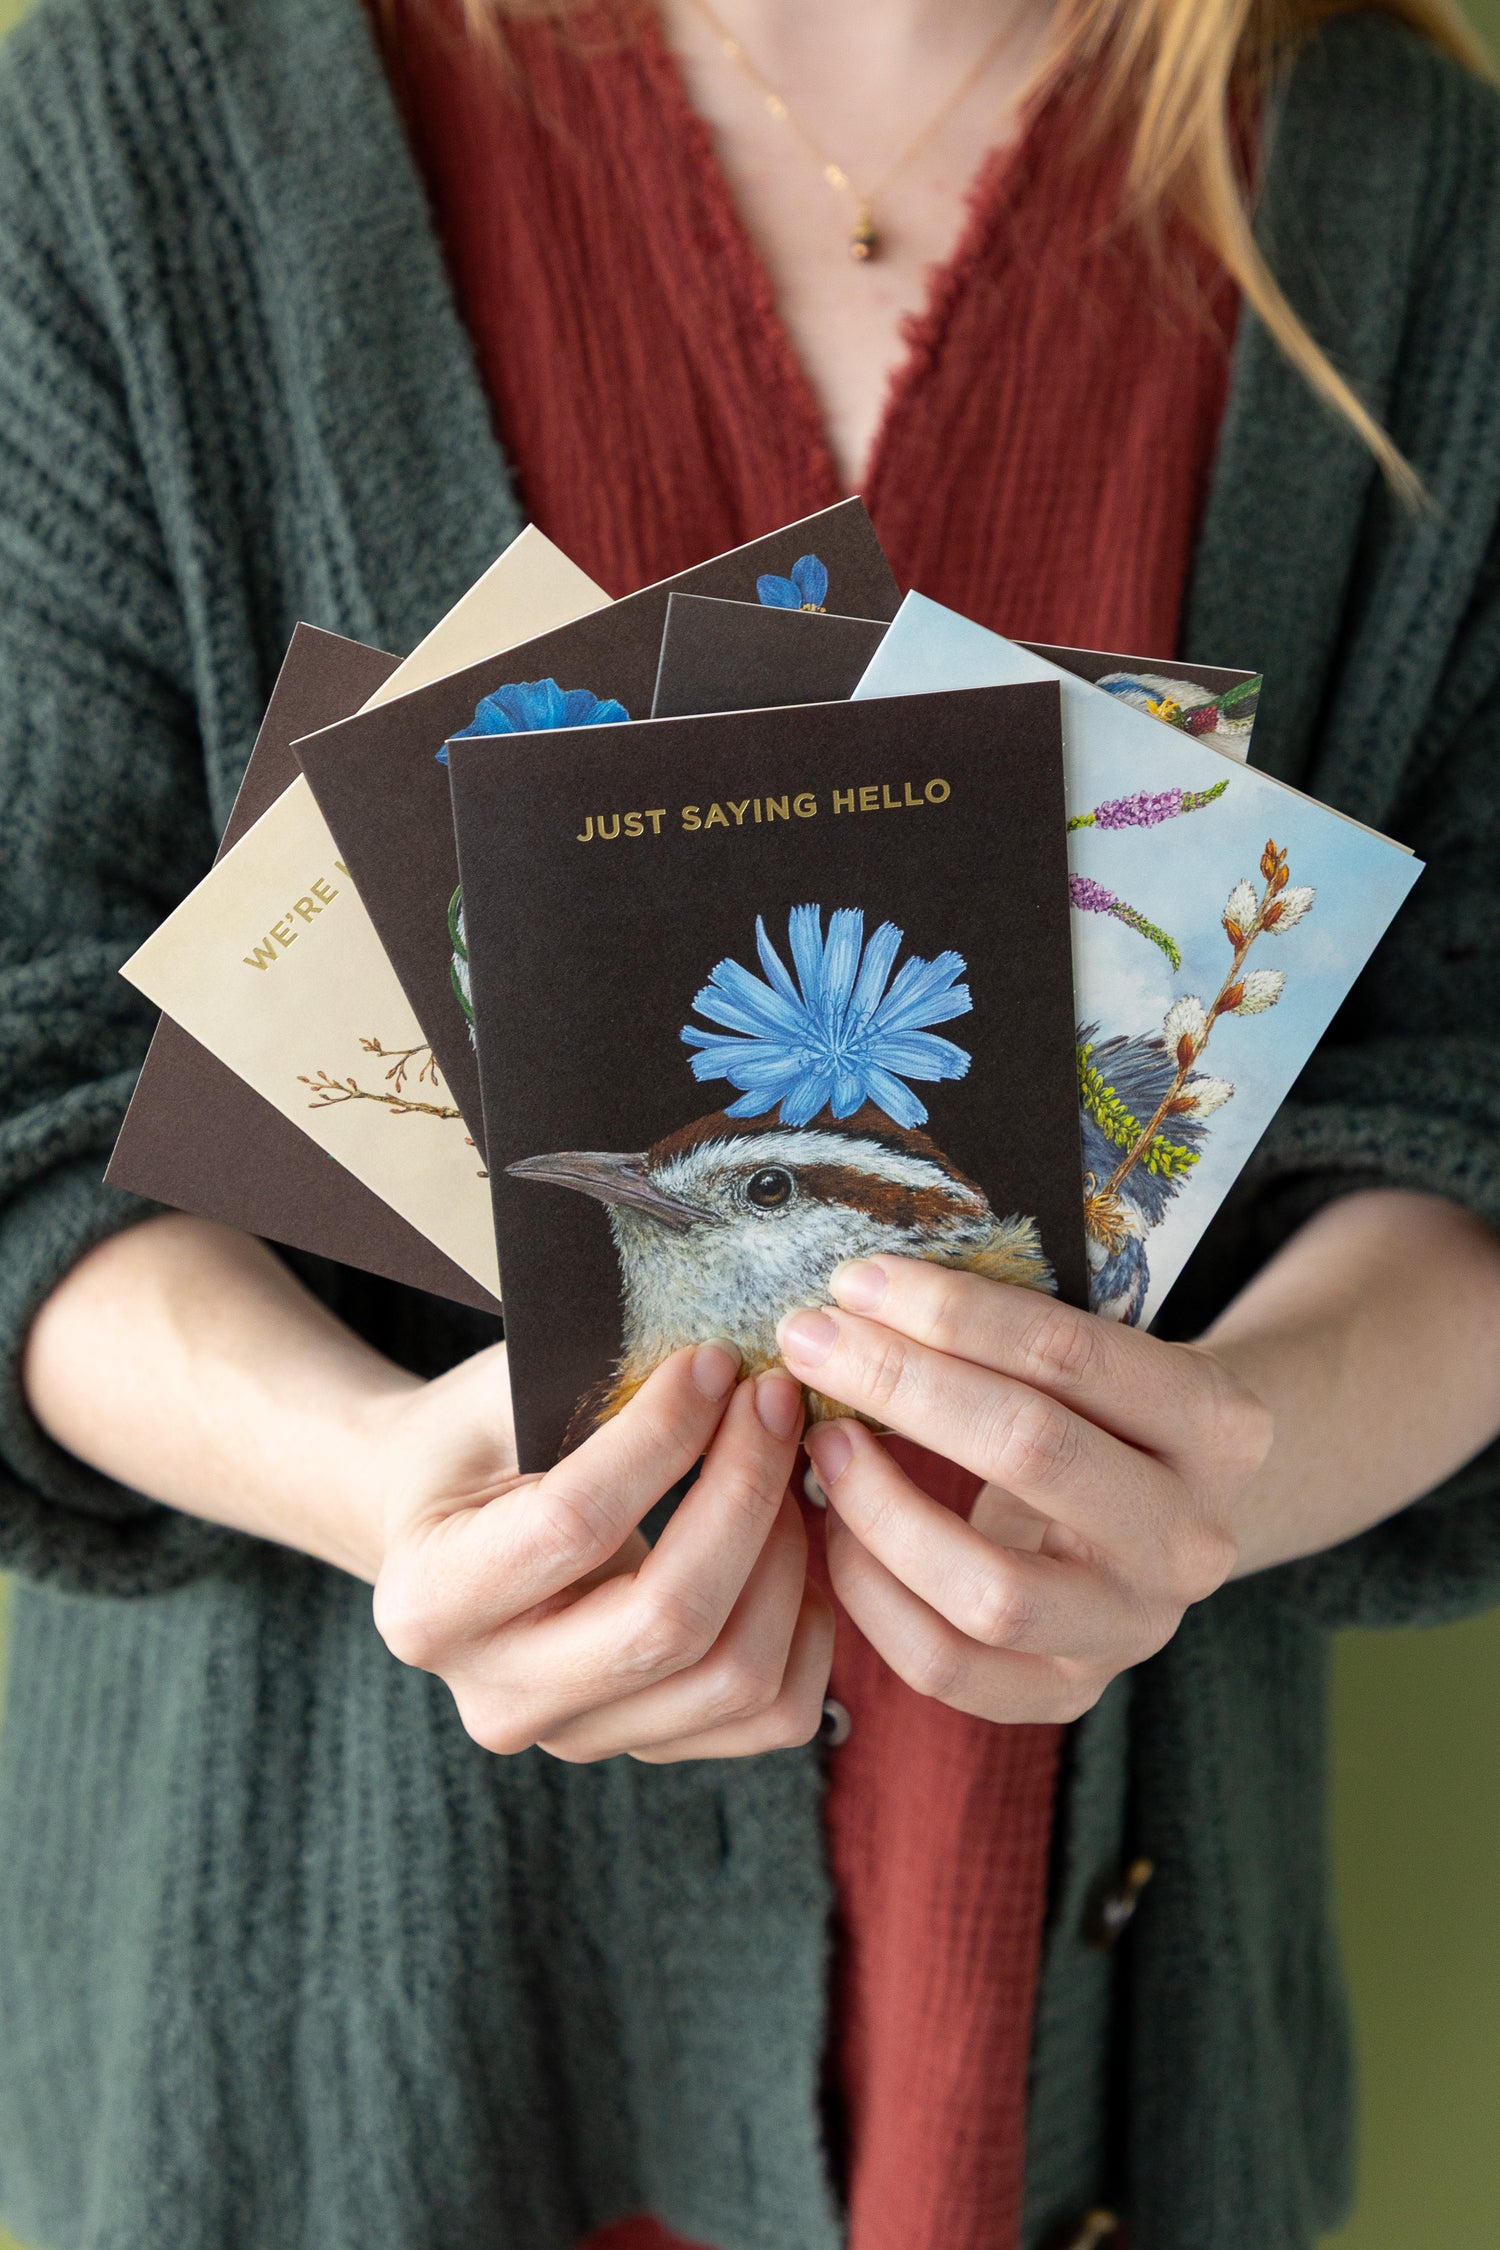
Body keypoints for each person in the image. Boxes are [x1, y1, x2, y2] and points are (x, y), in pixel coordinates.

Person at [1, 0, 1499, 2245]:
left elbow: (1462, 1091)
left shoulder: (1410, 194)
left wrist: (1225, 1462)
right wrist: (367, 1482)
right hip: (333, 2054)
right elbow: (26, 1057)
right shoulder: (148, 127)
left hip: (1076, 2044)